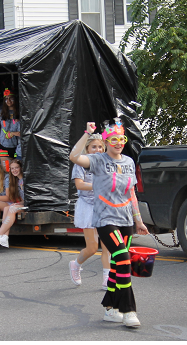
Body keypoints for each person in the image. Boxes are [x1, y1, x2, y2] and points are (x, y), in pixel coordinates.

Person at [69, 119, 148, 329]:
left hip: (125, 219)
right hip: (105, 219)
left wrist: (138, 220)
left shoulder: (129, 162)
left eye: (121, 139)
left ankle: (110, 308)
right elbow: (74, 157)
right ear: (106, 141)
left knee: (116, 266)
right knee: (123, 258)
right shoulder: (97, 160)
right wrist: (87, 133)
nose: (118, 142)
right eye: (114, 139)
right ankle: (128, 310)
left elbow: (131, 192)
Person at [69, 134, 112, 289]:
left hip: (104, 205)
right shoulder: (81, 164)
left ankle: (107, 279)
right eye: (94, 146)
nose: (97, 150)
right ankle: (76, 264)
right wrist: (97, 185)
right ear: (87, 148)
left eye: (100, 147)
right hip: (87, 206)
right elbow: (79, 185)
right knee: (93, 248)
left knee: (107, 245)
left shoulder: (106, 163)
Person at [0, 159, 26, 248]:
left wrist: (18, 203)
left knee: (11, 208)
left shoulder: (24, 179)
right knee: (7, 208)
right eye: (12, 168)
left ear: (21, 168)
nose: (14, 170)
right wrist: (18, 203)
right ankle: (3, 237)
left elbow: (30, 197)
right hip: (22, 203)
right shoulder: (16, 180)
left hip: (30, 205)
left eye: (17, 168)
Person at [0, 88, 21, 172]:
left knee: (17, 172)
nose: (8, 101)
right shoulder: (1, 112)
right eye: (6, 99)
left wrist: (13, 133)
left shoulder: (21, 111)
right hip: (4, 146)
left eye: (11, 98)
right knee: (7, 171)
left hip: (18, 147)